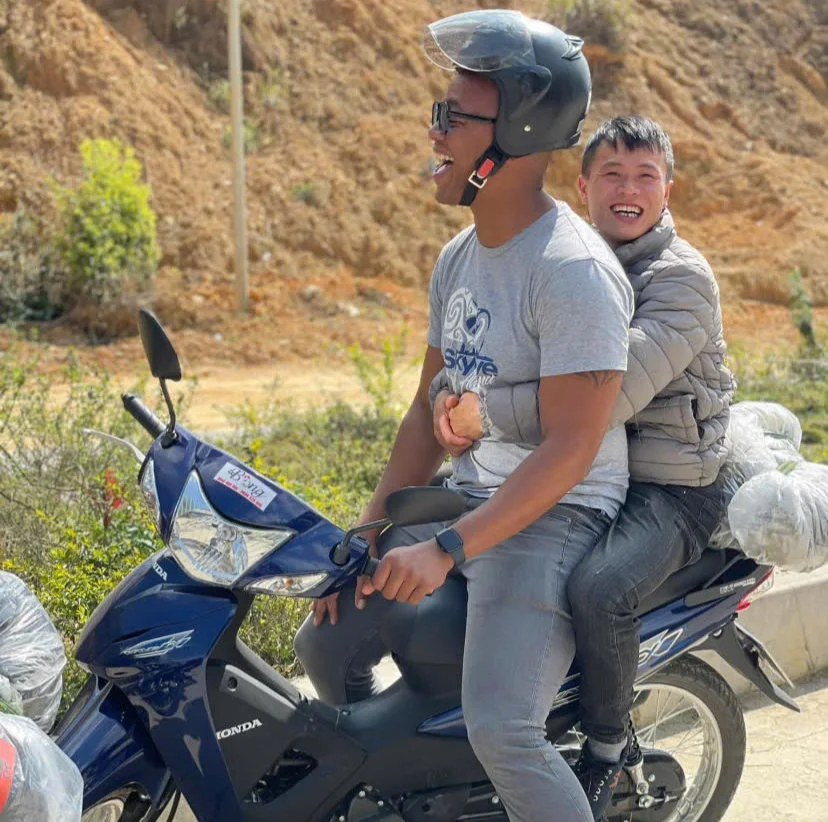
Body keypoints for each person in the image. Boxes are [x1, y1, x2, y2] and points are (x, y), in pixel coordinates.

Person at [294, 10, 635, 822]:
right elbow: (423, 410)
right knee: (325, 635)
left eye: (452, 117)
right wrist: (371, 526)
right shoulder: (460, 256)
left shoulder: (572, 272)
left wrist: (447, 551)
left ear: (514, 133)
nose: (434, 132)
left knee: (503, 729)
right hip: (469, 497)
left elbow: (573, 448)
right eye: (436, 113)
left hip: (553, 515)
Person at [431, 115, 735, 820]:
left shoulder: (679, 280)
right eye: (612, 175)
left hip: (672, 485)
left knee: (599, 588)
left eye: (645, 177)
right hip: (597, 468)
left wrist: (483, 413)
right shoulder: (567, 259)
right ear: (584, 184)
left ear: (668, 190)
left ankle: (605, 745)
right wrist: (448, 396)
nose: (627, 190)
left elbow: (603, 397)